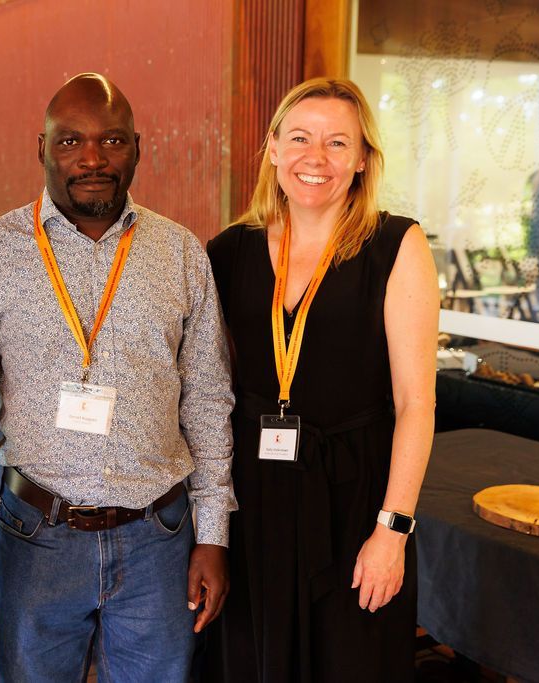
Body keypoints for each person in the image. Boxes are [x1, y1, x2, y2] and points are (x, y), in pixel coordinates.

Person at [0, 73, 236, 683]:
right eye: (70, 142)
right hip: (34, 536)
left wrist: (213, 536)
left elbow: (209, 402)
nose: (92, 159)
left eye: (112, 141)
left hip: (160, 537)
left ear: (138, 146)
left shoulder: (182, 254)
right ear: (42, 148)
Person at [202, 78, 439, 682]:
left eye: (338, 143)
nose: (317, 158)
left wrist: (393, 531)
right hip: (252, 500)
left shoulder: (396, 244)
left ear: (362, 160)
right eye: (301, 138)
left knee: (350, 661)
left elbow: (416, 402)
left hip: (354, 499)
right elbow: (202, 386)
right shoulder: (228, 252)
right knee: (252, 661)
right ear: (273, 149)